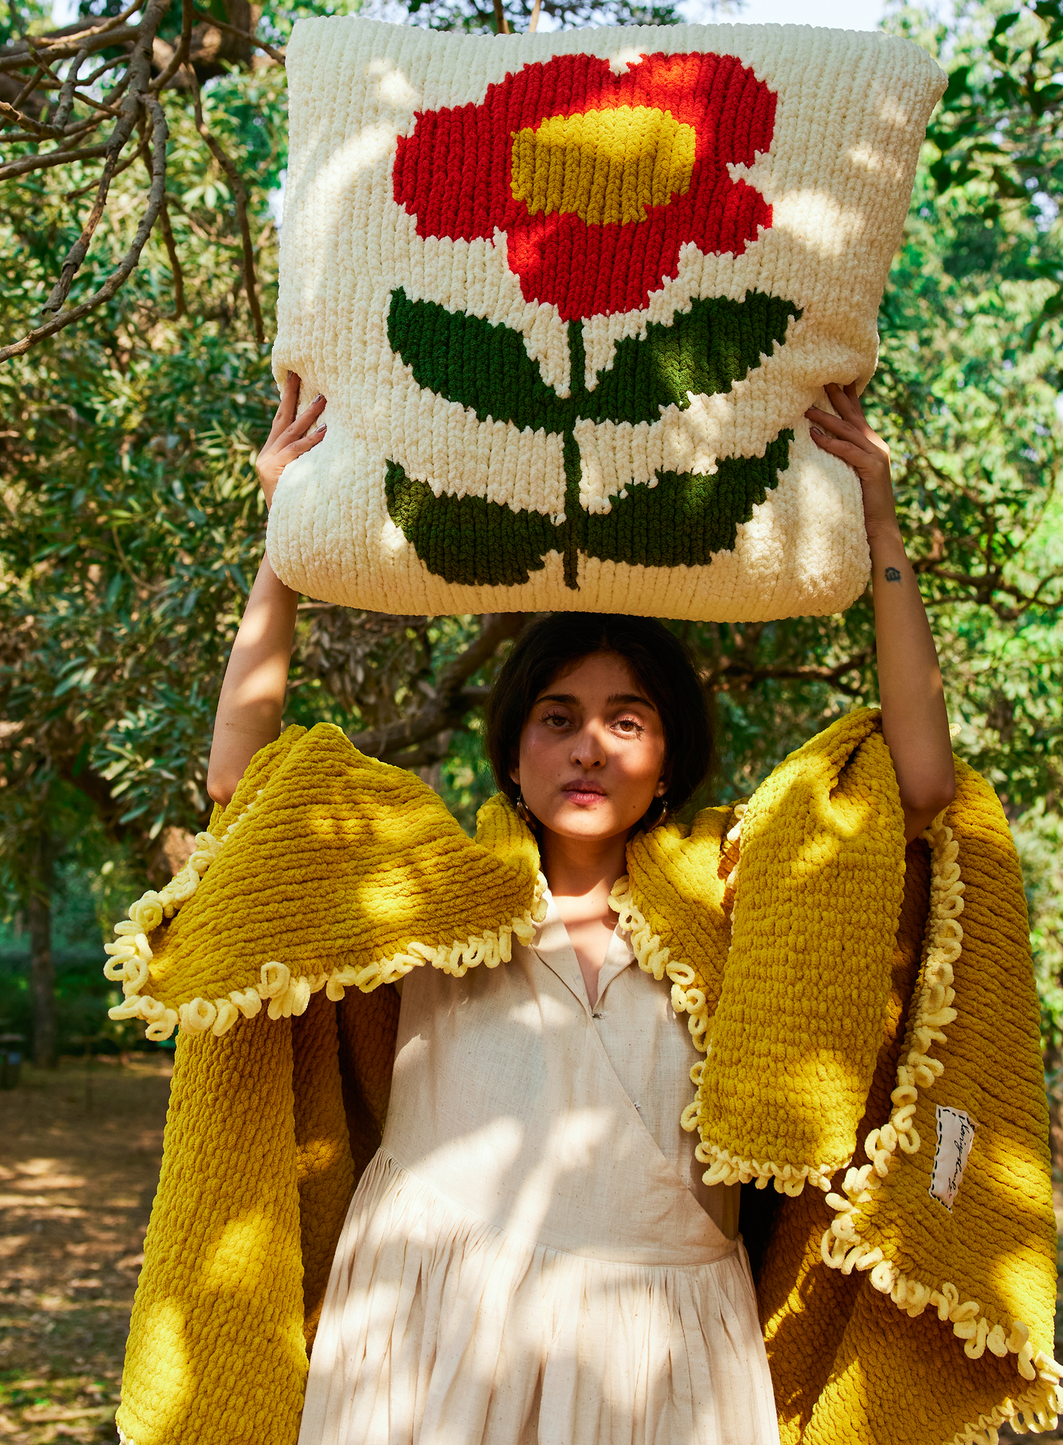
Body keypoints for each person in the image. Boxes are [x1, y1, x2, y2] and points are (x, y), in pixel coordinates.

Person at [200, 374, 957, 1445]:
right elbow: (245, 783)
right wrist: (285, 540)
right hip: (429, 1336)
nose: (589, 744)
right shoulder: (429, 887)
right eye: (556, 717)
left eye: (624, 718)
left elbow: (918, 783)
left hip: (666, 1354)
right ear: (513, 752)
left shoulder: (738, 899)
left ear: (667, 760)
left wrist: (877, 523)